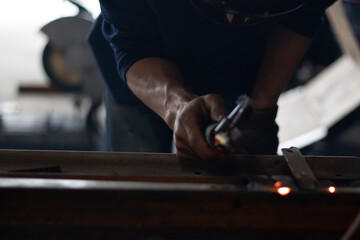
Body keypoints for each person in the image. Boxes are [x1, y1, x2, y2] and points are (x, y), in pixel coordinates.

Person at [88, 0, 336, 160]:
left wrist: (262, 106)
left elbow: (304, 14)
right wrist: (179, 107)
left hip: (239, 72)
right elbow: (135, 48)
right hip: (142, 79)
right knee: (137, 194)